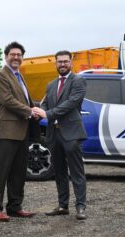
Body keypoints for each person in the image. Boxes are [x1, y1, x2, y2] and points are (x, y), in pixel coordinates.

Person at [32, 50, 87, 220]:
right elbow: (45, 104)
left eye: (65, 61)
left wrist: (47, 114)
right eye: (59, 62)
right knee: (60, 171)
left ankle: (80, 207)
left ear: (71, 63)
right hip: (54, 134)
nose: (62, 64)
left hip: (71, 133)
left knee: (76, 172)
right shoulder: (51, 85)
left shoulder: (78, 81)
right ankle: (63, 206)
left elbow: (70, 104)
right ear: (55, 64)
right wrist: (38, 112)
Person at [0, 41, 37, 222]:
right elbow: (7, 100)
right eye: (13, 54)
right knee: (0, 173)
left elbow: (25, 101)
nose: (16, 57)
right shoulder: (1, 76)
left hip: (21, 132)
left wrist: (36, 110)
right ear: (6, 56)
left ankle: (15, 207)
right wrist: (30, 111)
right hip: (6, 132)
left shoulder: (19, 76)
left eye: (19, 55)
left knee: (18, 173)